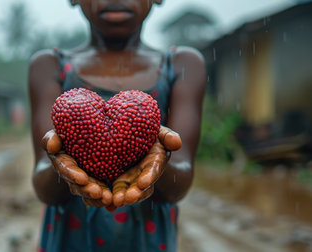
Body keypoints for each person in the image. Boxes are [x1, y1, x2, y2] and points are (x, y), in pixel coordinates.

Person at [28, 0, 206, 251]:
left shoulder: (183, 64)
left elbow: (181, 180)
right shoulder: (47, 66)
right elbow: (44, 186)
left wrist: (157, 160)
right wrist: (59, 161)